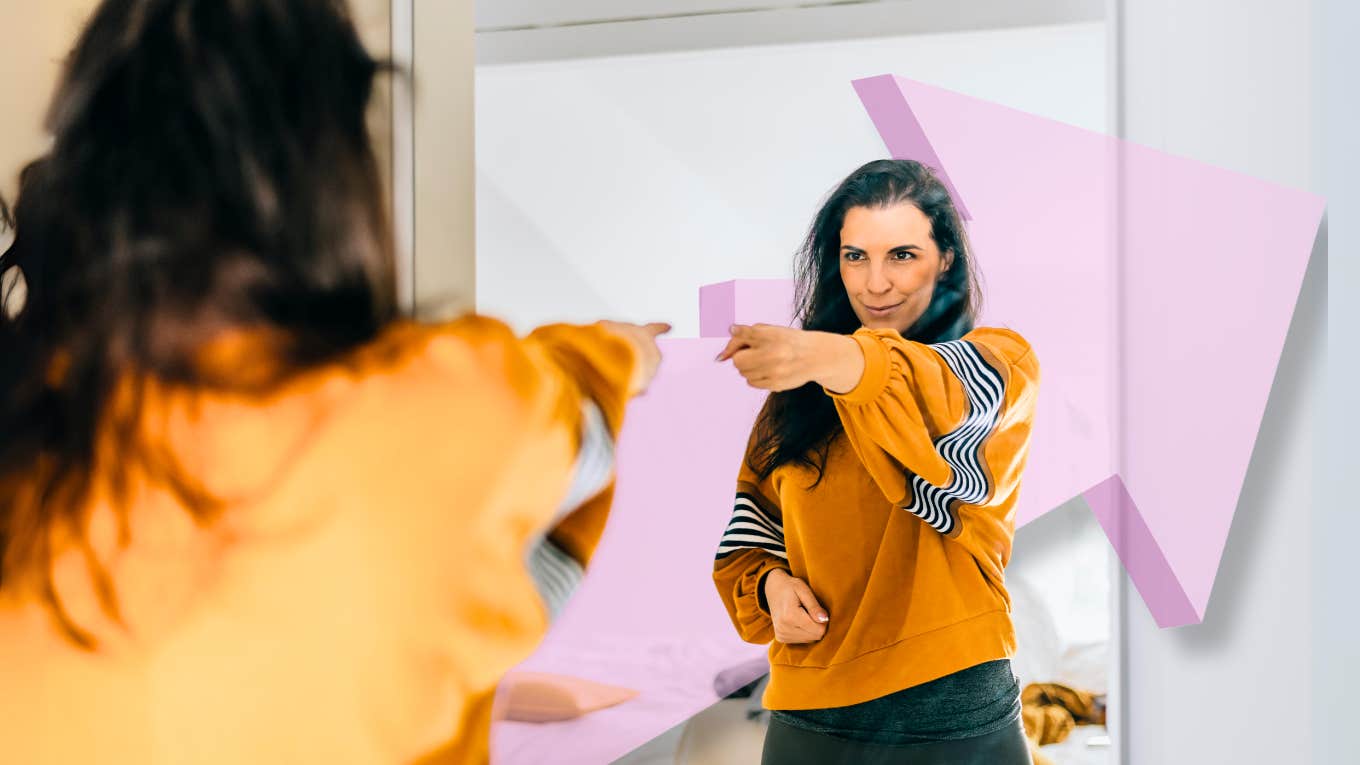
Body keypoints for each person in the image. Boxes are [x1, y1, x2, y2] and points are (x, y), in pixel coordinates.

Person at [0, 1, 666, 762]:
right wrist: (625, 350)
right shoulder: (443, 407)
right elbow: (582, 419)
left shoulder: (29, 430)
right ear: (326, 172)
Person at [713, 159, 1040, 764]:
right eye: (855, 256)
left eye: (903, 255)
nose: (875, 284)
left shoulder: (997, 366)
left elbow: (919, 391)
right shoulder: (795, 400)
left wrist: (830, 358)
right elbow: (746, 541)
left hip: (952, 712)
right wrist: (772, 589)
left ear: (946, 259)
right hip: (809, 712)